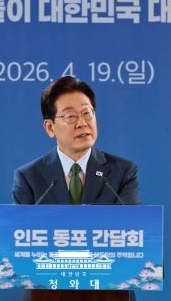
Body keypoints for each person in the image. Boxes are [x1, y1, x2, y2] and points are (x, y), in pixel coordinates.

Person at [12, 76, 139, 205]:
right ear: (50, 127)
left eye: (87, 113)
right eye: (71, 116)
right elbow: (22, 219)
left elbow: (130, 217)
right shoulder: (28, 178)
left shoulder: (122, 173)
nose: (82, 123)